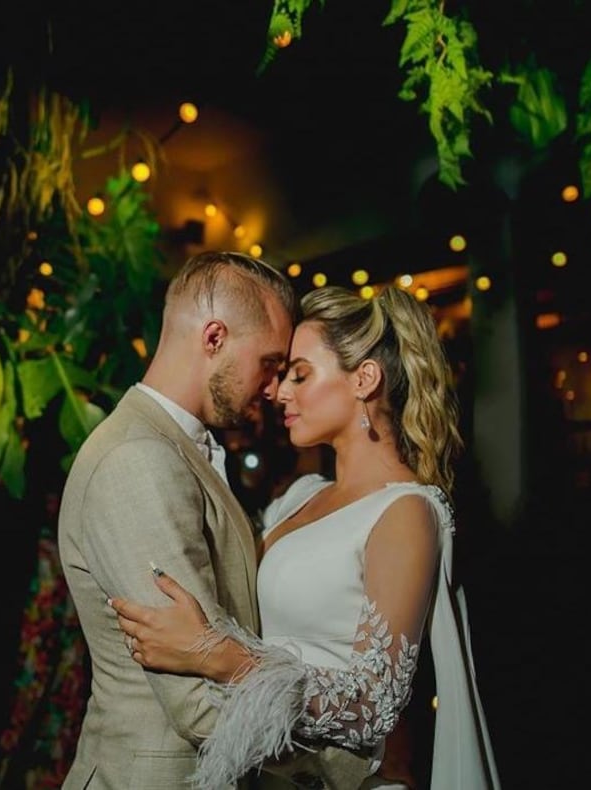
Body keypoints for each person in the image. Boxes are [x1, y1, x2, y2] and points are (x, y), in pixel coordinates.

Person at [110, 285, 501, 790]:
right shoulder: (299, 496)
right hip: (266, 772)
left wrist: (218, 657)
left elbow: (373, 705)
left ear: (364, 379)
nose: (279, 393)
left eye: (300, 374)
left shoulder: (404, 511)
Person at [58, 252, 374, 789]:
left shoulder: (175, 446)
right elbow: (198, 702)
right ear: (213, 338)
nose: (273, 389)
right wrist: (340, 767)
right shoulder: (137, 459)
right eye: (269, 363)